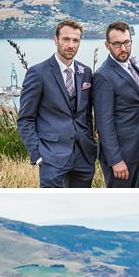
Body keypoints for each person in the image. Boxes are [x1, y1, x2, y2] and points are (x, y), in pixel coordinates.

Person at [17, 18, 97, 188]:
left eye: (75, 40)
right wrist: (37, 154)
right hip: (51, 157)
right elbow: (25, 119)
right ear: (56, 40)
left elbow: (86, 114)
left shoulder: (86, 72)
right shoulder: (38, 73)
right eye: (66, 39)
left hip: (83, 156)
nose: (71, 45)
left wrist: (90, 143)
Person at [93, 21, 139, 188]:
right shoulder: (104, 76)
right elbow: (104, 123)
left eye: (126, 42)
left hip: (135, 150)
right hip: (120, 157)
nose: (123, 48)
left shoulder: (129, 66)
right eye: (117, 44)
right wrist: (116, 160)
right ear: (107, 45)